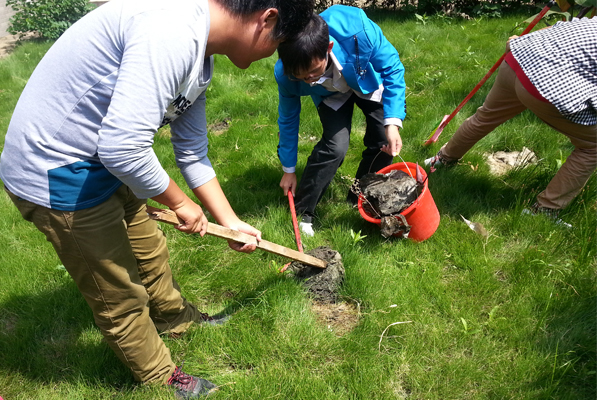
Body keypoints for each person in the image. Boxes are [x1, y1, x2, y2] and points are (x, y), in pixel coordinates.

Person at [0, 0, 313, 397]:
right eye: (279, 43)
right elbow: (122, 148)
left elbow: (192, 152)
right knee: (119, 293)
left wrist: (229, 221)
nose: (273, 55)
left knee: (149, 251)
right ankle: (160, 377)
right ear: (267, 19)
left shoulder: (200, 55)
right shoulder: (170, 33)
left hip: (105, 164)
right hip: (57, 172)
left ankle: (175, 320)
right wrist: (180, 203)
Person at [425, 16, 597, 226]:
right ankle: (545, 211)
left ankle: (441, 160)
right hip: (545, 87)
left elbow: (558, 28)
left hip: (518, 58)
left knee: (485, 116)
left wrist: (520, 41)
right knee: (592, 146)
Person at [275, 6, 407, 236]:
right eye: (301, 77)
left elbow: (392, 68)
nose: (308, 80)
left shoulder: (359, 33)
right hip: (330, 94)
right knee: (335, 147)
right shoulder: (286, 74)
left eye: (313, 71)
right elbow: (288, 119)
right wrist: (289, 169)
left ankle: (360, 197)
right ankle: (304, 211)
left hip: (363, 77)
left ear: (328, 48)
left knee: (382, 140)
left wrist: (392, 123)